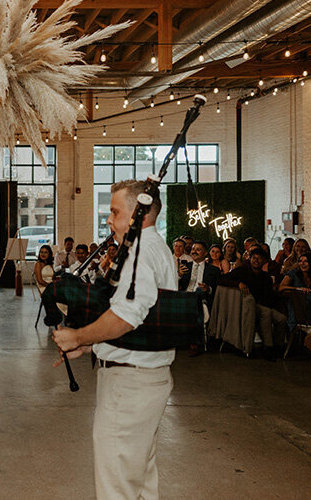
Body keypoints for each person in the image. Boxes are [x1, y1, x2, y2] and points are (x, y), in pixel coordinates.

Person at [52, 179, 176, 500]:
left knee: (117, 485)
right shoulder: (154, 249)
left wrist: (76, 335)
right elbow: (146, 320)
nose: (108, 219)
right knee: (140, 478)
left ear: (139, 214)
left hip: (129, 386)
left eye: (114, 211)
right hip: (145, 378)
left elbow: (126, 316)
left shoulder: (141, 254)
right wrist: (91, 344)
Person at [219, 248, 286, 360]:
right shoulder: (242, 271)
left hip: (262, 305)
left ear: (264, 261)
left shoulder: (266, 277)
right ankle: (268, 347)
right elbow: (221, 280)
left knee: (281, 318)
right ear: (249, 259)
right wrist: (238, 283)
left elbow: (269, 298)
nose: (256, 260)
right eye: (254, 258)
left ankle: (278, 347)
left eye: (259, 258)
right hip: (246, 306)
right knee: (266, 313)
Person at [178, 240, 221, 357]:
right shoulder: (185, 266)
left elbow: (217, 290)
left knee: (197, 303)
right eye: (193, 249)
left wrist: (208, 289)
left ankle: (194, 344)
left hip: (202, 298)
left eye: (198, 249)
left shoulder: (213, 270)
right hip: (184, 296)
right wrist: (179, 275)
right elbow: (175, 285)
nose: (194, 251)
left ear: (205, 253)